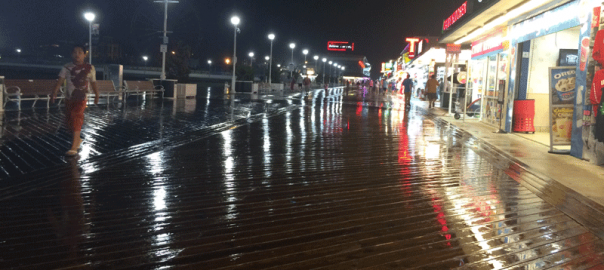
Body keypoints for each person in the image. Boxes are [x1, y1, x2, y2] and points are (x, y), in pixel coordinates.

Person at [51, 45, 99, 156]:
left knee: (76, 116)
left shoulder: (90, 68)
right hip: (69, 98)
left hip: (82, 98)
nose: (77, 54)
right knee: (69, 120)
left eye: (80, 52)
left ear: (84, 55)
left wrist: (97, 94)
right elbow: (60, 81)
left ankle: (74, 147)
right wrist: (54, 92)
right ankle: (78, 139)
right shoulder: (67, 67)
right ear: (71, 54)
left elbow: (93, 82)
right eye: (74, 52)